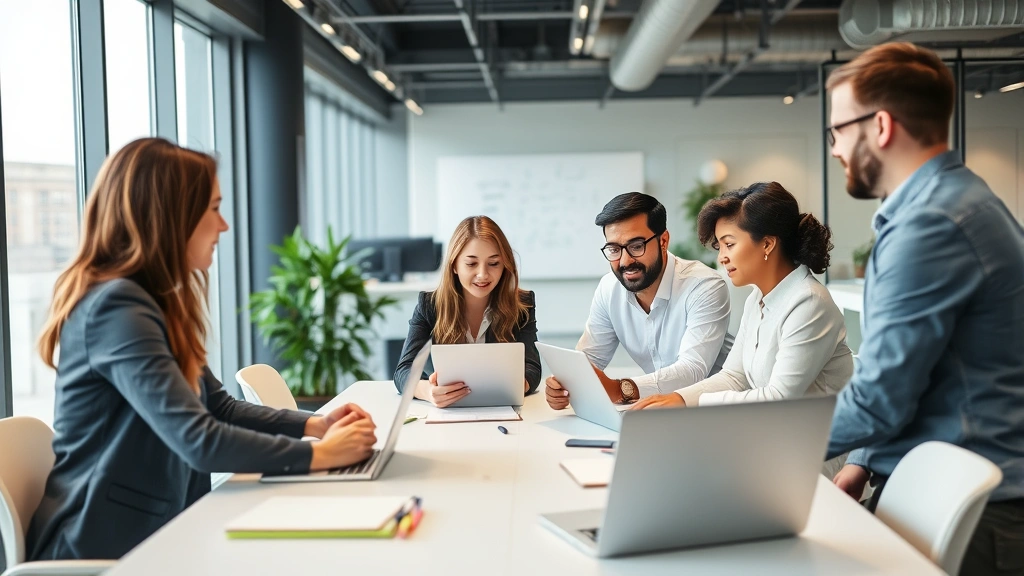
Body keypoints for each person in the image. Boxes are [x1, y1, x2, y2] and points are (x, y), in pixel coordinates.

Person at [26, 138, 378, 561]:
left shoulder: (154, 300)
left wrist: (314, 426)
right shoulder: (116, 308)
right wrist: (317, 455)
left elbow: (218, 407)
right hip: (101, 549)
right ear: (172, 216)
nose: (224, 225)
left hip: (162, 531)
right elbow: (198, 441)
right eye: (213, 208)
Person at [822, 43, 1024, 575]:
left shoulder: (930, 224)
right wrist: (863, 458)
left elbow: (879, 398)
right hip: (949, 486)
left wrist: (753, 447)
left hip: (975, 508)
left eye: (838, 130)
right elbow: (913, 370)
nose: (835, 148)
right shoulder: (950, 202)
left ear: (880, 126)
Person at [631, 182, 853, 476]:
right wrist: (680, 398)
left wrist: (690, 406)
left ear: (767, 243)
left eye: (729, 243)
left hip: (814, 460)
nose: (721, 256)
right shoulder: (758, 298)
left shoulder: (809, 303)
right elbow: (735, 376)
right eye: (720, 246)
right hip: (770, 444)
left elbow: (777, 399)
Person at [546, 192, 733, 409]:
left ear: (663, 241)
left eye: (636, 246)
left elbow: (692, 370)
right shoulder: (609, 289)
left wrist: (620, 389)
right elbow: (588, 361)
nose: (625, 261)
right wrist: (566, 386)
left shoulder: (704, 285)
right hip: (660, 411)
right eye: (614, 249)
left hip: (717, 411)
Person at [394, 215, 540, 406]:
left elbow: (533, 368)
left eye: (494, 263)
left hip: (502, 412)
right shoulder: (430, 305)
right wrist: (428, 392)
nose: (483, 274)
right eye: (471, 264)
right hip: (448, 414)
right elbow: (403, 371)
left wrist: (515, 386)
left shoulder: (521, 304)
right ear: (454, 265)